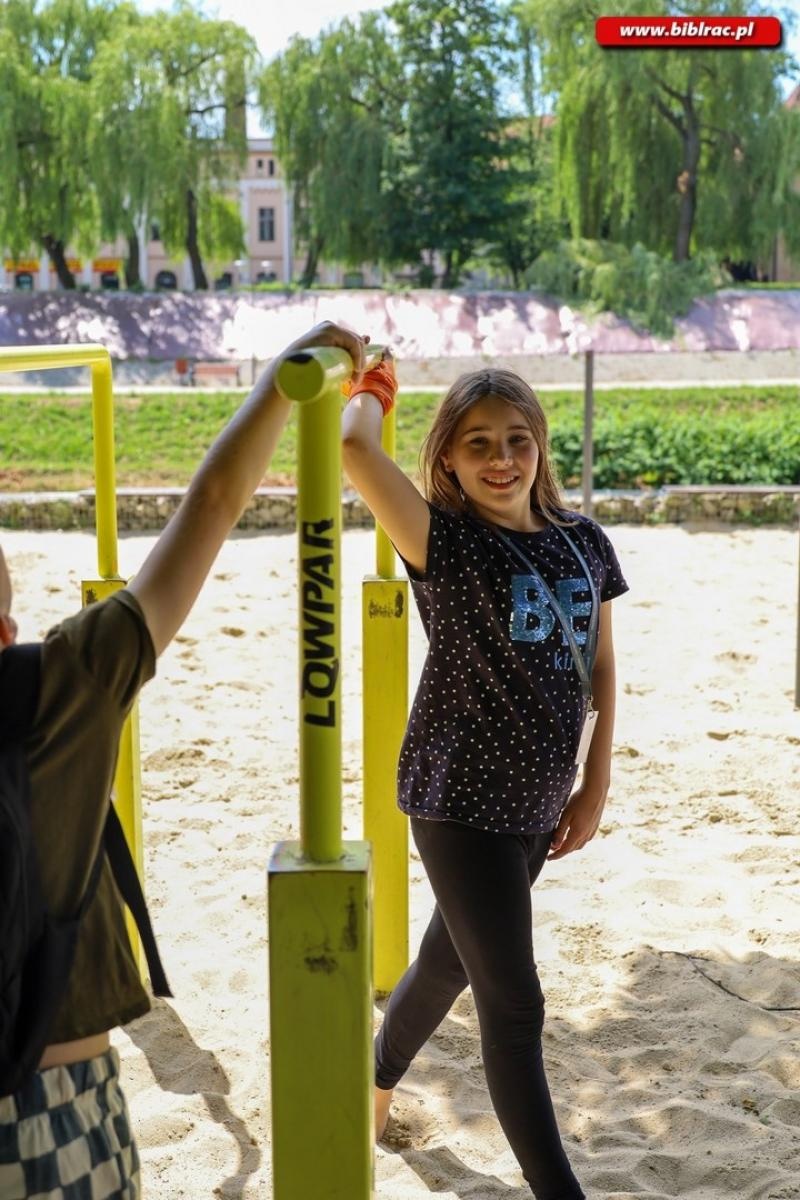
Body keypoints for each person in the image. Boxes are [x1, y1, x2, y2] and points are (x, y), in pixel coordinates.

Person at [0, 321, 366, 1200]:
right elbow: (210, 508)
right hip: (51, 1109)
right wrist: (283, 384)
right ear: (5, 626)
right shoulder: (59, 687)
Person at [342, 354, 628, 1200]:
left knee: (443, 964)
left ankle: (373, 1084)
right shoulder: (448, 540)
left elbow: (603, 665)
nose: (501, 458)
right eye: (478, 444)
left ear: (540, 446)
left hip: (540, 802)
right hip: (459, 802)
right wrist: (374, 384)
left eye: (516, 439)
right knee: (515, 1006)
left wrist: (597, 780)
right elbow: (356, 452)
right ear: (448, 461)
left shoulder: (585, 542)